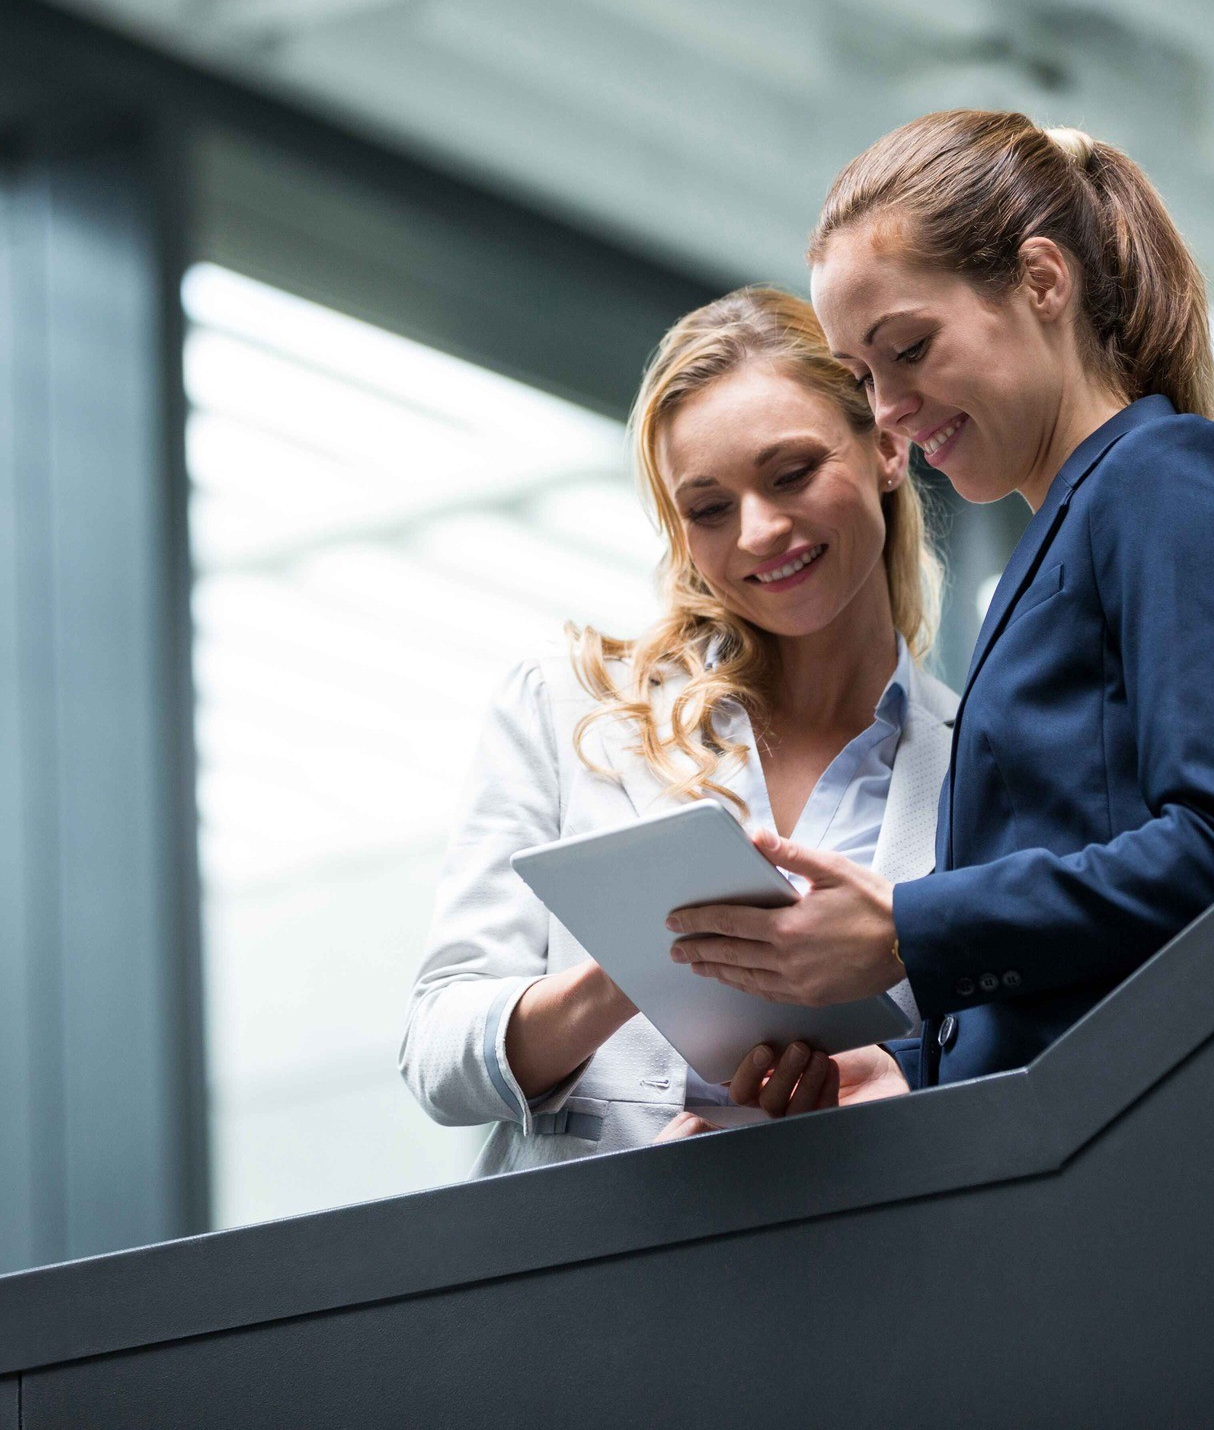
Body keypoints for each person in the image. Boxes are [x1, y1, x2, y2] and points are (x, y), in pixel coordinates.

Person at [668, 110, 1214, 1098]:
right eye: (862, 376)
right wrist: (903, 1070)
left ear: (1043, 281)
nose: (888, 409)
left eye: (910, 347)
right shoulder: (1066, 535)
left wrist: (908, 930)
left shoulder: (1166, 479)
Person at [400, 286, 959, 1171]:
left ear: (888, 446)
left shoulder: (977, 760)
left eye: (791, 474)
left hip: (864, 1242)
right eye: (709, 509)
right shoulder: (566, 705)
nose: (760, 531)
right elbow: (438, 1055)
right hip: (593, 1249)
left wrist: (891, 1077)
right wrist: (634, 970)